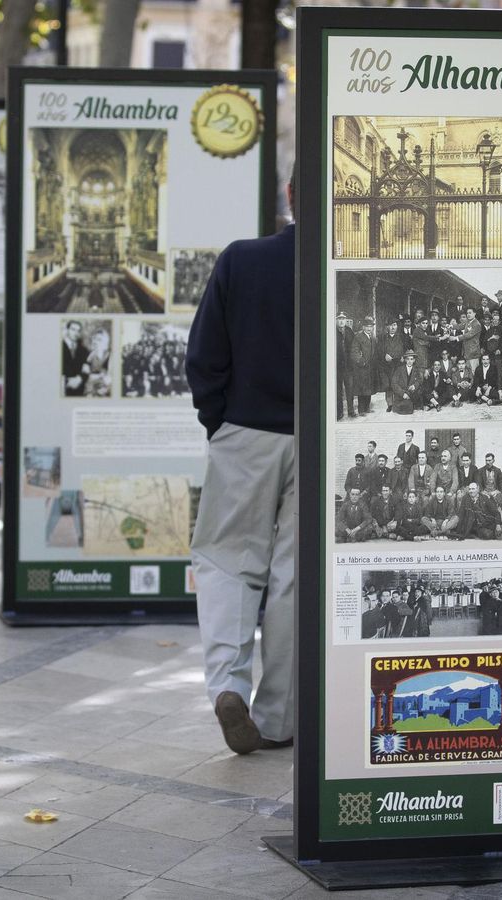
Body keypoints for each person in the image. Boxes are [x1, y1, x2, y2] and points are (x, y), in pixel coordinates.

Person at [186, 179, 295, 755]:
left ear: (288, 196)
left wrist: (220, 423)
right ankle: (278, 718)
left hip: (246, 432)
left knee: (229, 560)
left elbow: (204, 355)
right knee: (293, 576)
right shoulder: (341, 267)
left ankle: (228, 685)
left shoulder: (242, 259)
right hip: (319, 439)